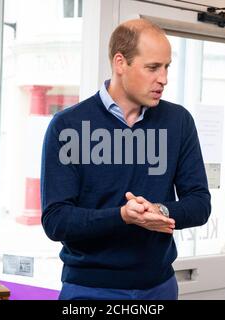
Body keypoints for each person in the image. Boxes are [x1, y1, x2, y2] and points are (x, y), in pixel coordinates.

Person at [41, 18, 211, 300]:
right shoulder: (67, 126)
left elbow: (200, 203)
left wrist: (161, 211)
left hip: (159, 287)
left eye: (167, 66)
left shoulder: (178, 121)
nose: (164, 78)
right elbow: (57, 221)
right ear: (121, 63)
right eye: (153, 67)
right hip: (89, 289)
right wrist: (123, 216)